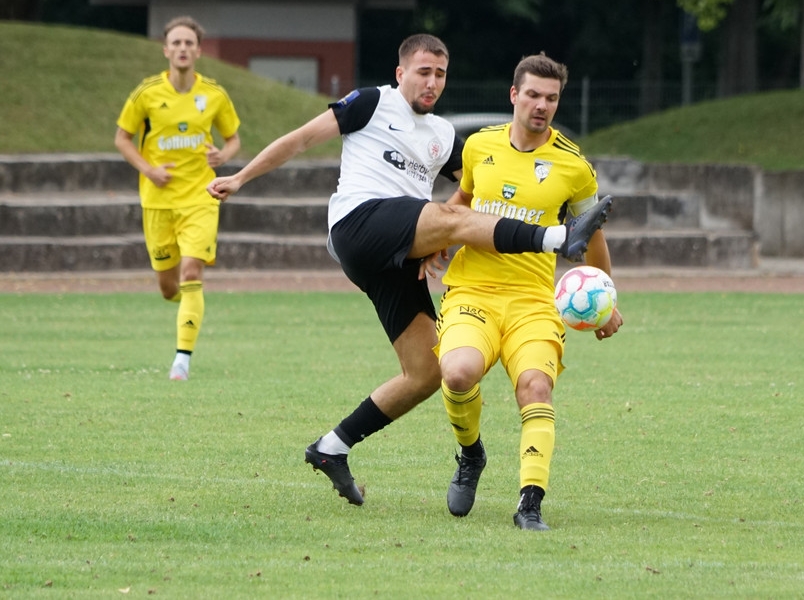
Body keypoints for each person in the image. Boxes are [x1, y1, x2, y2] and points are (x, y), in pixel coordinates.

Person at [206, 35, 613, 506]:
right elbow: (300, 140)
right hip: (358, 224)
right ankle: (558, 239)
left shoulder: (445, 135)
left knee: (428, 371)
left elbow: (488, 185)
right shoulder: (371, 103)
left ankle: (333, 446)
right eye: (423, 72)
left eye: (440, 74)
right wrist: (240, 177)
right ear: (401, 73)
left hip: (398, 253)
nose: (432, 82)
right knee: (451, 217)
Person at [433, 53, 623, 531]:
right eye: (533, 95)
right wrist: (432, 242)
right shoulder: (479, 146)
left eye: (551, 98)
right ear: (514, 95)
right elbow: (463, 200)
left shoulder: (574, 165)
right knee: (457, 373)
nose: (542, 105)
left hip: (534, 301)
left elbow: (592, 234)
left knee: (536, 387)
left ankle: (530, 504)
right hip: (472, 290)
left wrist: (608, 302)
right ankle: (471, 454)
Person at [114, 15, 242, 381]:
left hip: (201, 197)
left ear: (198, 51)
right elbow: (122, 138)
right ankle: (189, 302)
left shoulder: (214, 94)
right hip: (158, 202)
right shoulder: (147, 93)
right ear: (166, 50)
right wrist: (149, 169)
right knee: (169, 287)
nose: (183, 48)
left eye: (189, 43)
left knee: (191, 272)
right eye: (177, 43)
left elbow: (233, 139)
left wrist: (223, 156)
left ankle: (181, 362)